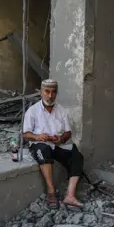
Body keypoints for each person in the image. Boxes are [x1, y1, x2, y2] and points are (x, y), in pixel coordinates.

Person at [23, 79, 84, 209]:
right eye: (47, 92)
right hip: (39, 144)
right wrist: (37, 136)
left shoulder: (61, 110)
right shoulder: (33, 111)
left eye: (53, 92)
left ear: (56, 93)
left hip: (56, 145)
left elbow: (68, 133)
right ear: (41, 92)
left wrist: (61, 139)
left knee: (76, 155)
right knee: (44, 150)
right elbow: (25, 134)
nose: (50, 96)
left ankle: (70, 196)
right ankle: (51, 192)